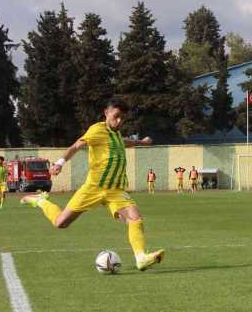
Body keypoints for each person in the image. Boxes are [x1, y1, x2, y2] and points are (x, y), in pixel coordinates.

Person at [20, 100, 164, 271]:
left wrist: (142, 143)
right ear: (106, 113)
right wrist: (59, 163)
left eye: (122, 118)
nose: (119, 121)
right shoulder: (97, 130)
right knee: (61, 223)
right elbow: (77, 145)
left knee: (135, 219)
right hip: (93, 188)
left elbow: (124, 141)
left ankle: (141, 258)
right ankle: (40, 201)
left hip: (115, 190)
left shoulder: (116, 134)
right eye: (116, 117)